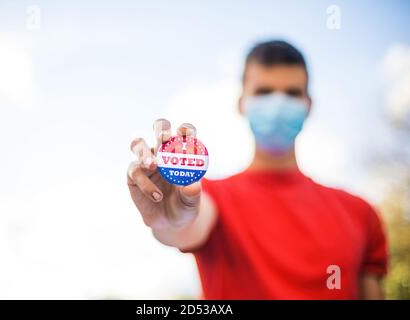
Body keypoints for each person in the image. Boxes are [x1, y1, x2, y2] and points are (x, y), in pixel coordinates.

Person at [127, 40, 388, 299]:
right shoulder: (212, 198)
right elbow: (187, 221)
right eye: (264, 91)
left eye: (292, 93)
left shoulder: (360, 214)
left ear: (309, 104)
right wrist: (171, 218)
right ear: (242, 103)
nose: (277, 104)